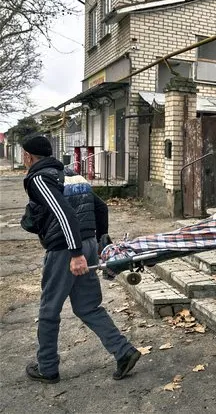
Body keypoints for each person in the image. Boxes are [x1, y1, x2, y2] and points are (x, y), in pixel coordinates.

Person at [19, 134, 140, 383]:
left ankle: (47, 367)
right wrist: (97, 244)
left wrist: (75, 254)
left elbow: (65, 215)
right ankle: (123, 352)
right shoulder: (72, 173)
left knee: (49, 309)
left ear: (28, 156)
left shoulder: (39, 178)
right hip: (85, 244)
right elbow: (101, 208)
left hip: (65, 250)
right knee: (87, 306)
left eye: (24, 156)